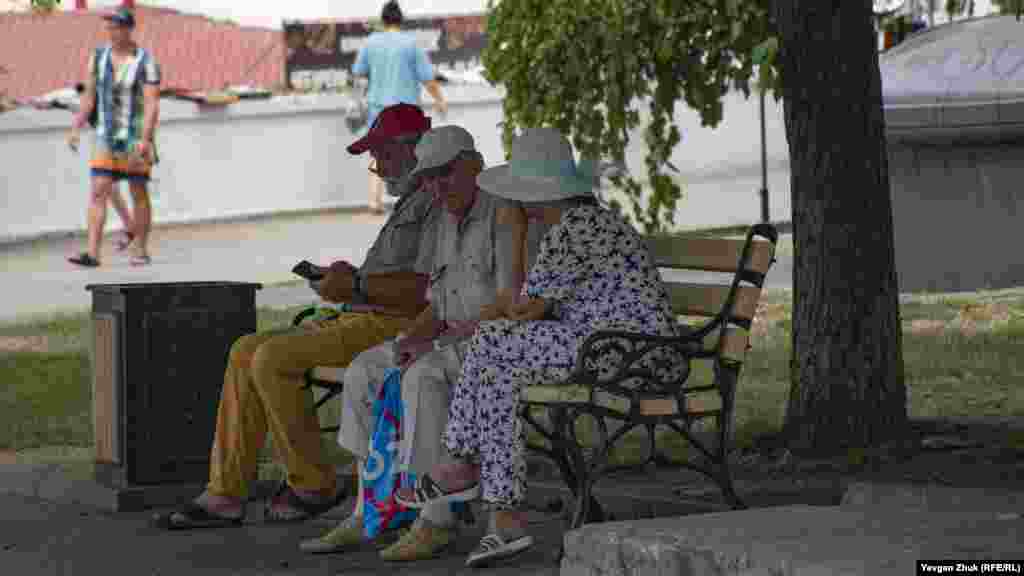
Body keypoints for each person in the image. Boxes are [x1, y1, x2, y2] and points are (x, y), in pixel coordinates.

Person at [395, 128, 684, 567]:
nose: (512, 204)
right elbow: (525, 312)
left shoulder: (575, 229)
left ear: (532, 195)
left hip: (634, 355)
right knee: (497, 367)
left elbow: (518, 309)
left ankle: (462, 466)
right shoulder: (581, 223)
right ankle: (502, 515)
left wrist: (513, 234)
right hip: (613, 347)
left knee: (492, 340)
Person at [153, 103, 440, 530]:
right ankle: (225, 493)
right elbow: (393, 278)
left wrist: (355, 286)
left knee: (273, 358)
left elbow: (426, 292)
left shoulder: (434, 202)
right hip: (364, 315)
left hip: (397, 326)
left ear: (412, 149)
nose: (376, 167)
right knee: (245, 349)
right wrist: (349, 280)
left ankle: (313, 485)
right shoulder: (411, 202)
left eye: (381, 154)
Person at [299, 125, 529, 561]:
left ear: (474, 166)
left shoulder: (502, 214)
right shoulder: (442, 218)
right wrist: (412, 338)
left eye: (445, 174)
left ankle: (435, 520)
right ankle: (371, 509)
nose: (436, 187)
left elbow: (508, 304)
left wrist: (436, 344)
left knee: (424, 377)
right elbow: (438, 305)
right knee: (365, 369)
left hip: (492, 341)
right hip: (450, 335)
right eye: (428, 178)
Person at [67, 8, 160, 267]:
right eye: (109, 27)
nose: (111, 32)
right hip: (105, 134)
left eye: (116, 27)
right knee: (98, 190)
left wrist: (146, 138)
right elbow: (89, 96)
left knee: (138, 190)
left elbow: (151, 103)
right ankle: (93, 253)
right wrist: (76, 127)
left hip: (134, 136)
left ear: (129, 29)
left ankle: (140, 249)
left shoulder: (146, 61)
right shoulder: (98, 57)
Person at [353, 0, 448, 214]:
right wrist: (440, 100)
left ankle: (374, 202)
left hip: (378, 109)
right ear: (401, 20)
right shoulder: (411, 44)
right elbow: (427, 78)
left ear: (383, 20)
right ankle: (411, 203)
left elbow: (358, 73)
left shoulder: (370, 43)